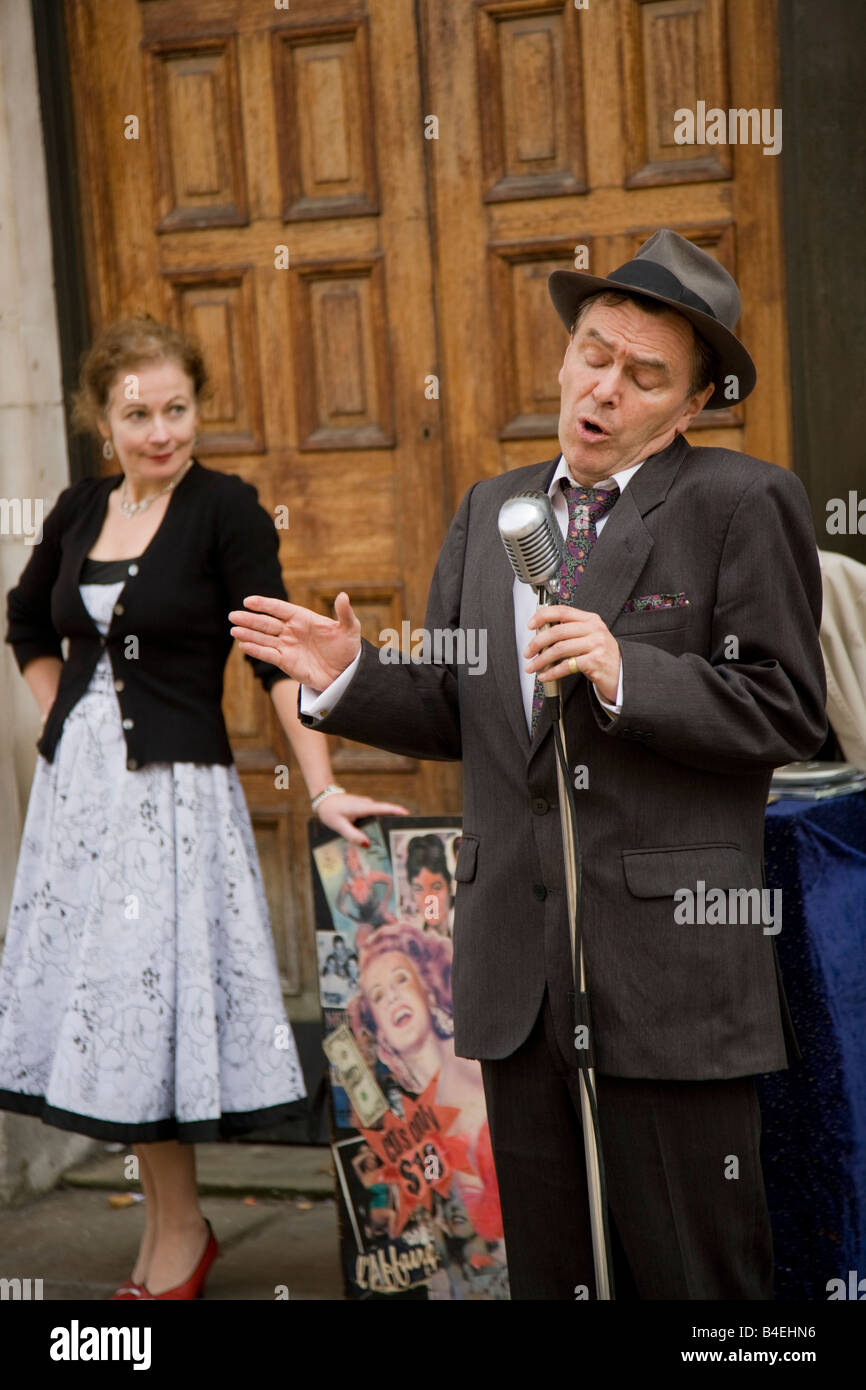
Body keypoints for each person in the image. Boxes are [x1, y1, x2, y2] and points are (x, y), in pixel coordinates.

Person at [229, 230, 828, 1299]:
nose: (603, 388)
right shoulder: (491, 508)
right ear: (563, 357)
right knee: (557, 1271)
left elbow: (785, 708)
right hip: (515, 971)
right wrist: (353, 675)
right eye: (592, 354)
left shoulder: (739, 501)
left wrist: (623, 672)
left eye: (643, 375)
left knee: (698, 1279)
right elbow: (469, 712)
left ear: (690, 406)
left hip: (666, 974)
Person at [0, 316, 407, 1301]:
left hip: (172, 804)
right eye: (137, 412)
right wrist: (72, 721)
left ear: (197, 409)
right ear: (103, 419)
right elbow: (26, 621)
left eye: (176, 409)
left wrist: (318, 782)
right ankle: (173, 1229)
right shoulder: (79, 506)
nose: (160, 430)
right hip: (79, 807)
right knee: (111, 1020)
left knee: (153, 1013)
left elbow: (274, 657)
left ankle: (178, 1236)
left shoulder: (224, 510)